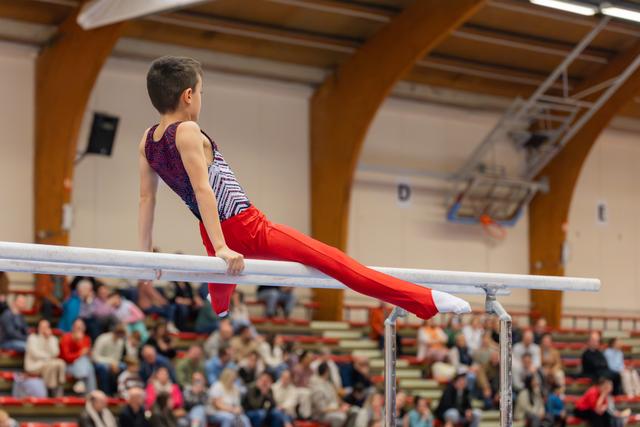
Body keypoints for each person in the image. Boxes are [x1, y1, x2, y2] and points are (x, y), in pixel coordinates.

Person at [138, 56, 470, 321]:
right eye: (202, 92)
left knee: (221, 301)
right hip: (247, 229)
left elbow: (147, 198)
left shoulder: (147, 140)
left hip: (210, 233)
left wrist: (142, 253)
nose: (201, 100)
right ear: (188, 96)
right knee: (338, 263)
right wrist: (224, 247)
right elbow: (202, 189)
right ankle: (425, 301)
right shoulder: (188, 130)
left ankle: (220, 300)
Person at [25, 318, 66, 397]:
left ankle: (58, 383)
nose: (44, 329)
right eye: (42, 327)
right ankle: (52, 390)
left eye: (46, 327)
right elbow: (35, 354)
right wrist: (48, 357)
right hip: (34, 365)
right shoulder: (32, 338)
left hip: (48, 363)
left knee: (61, 363)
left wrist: (48, 339)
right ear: (38, 328)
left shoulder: (52, 339)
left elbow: (55, 353)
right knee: (53, 365)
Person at [60, 318, 97, 393]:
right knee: (84, 361)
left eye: (81, 326)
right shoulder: (66, 337)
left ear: (84, 328)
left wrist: (89, 354)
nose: (79, 328)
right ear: (72, 327)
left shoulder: (86, 339)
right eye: (77, 326)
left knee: (88, 365)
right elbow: (66, 358)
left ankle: (82, 383)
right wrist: (79, 352)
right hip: (68, 366)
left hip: (83, 367)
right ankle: (91, 393)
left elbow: (88, 356)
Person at [310, 362, 349, 427]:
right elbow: (322, 409)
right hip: (320, 415)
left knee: (354, 411)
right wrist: (338, 409)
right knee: (341, 417)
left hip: (334, 410)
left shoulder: (328, 384)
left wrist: (343, 405)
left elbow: (336, 399)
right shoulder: (317, 386)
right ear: (326, 371)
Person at [92, 323, 127, 395]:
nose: (120, 337)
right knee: (104, 369)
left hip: (113, 363)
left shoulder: (121, 341)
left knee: (124, 367)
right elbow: (95, 357)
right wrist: (111, 363)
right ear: (114, 332)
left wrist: (115, 364)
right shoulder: (102, 338)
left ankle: (118, 392)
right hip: (99, 363)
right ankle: (106, 393)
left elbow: (118, 358)